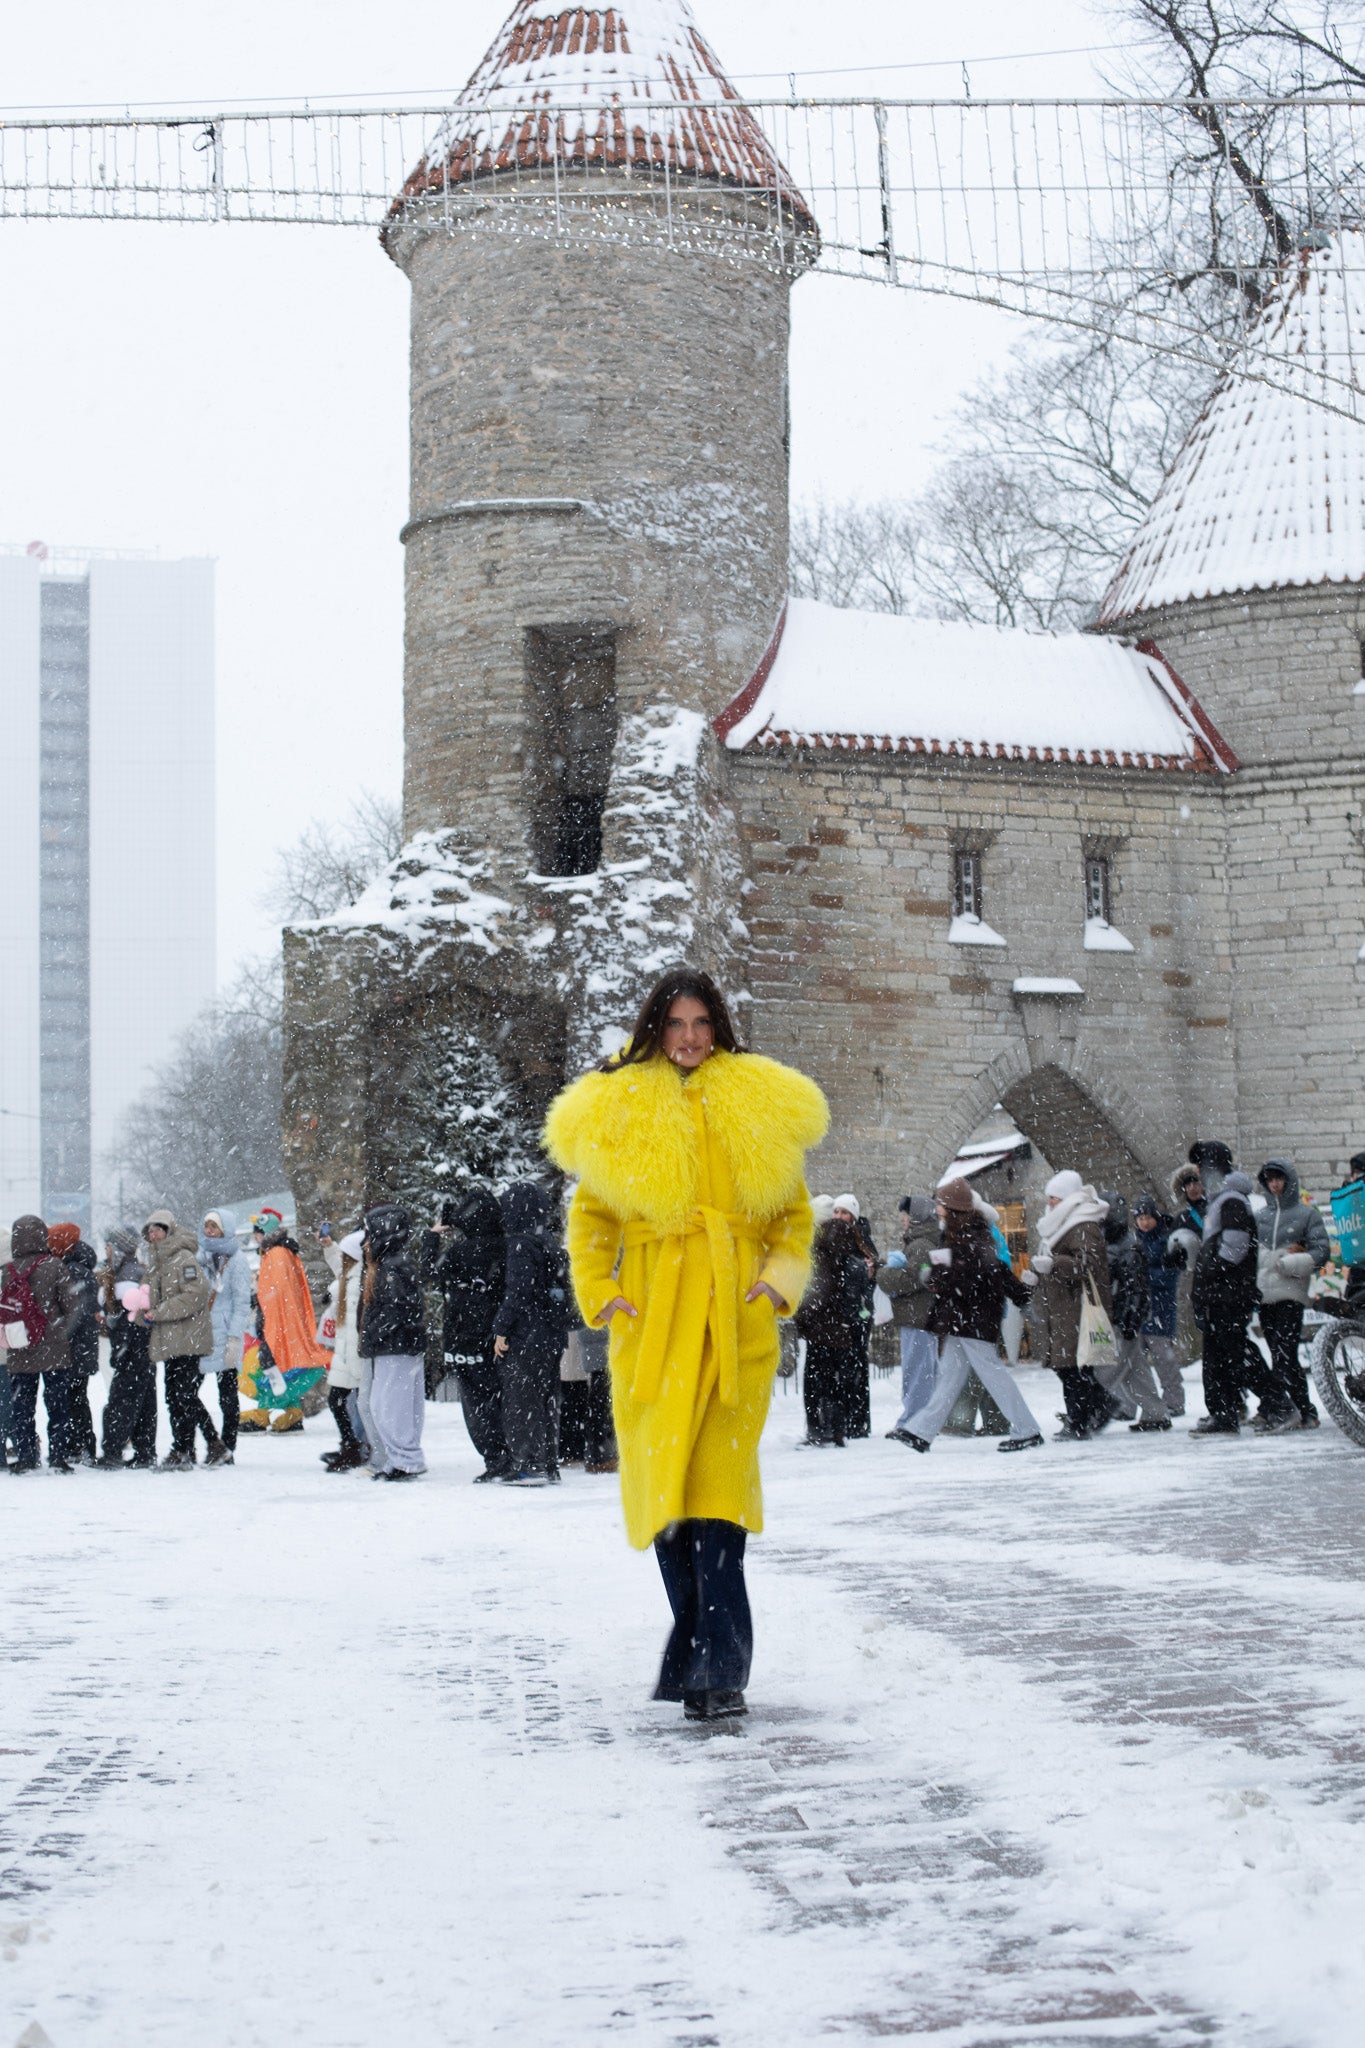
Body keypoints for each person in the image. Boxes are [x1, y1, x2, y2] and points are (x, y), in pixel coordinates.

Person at [546, 965, 825, 1723]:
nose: (690, 1039)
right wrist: (604, 1295)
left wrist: (775, 1283)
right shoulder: (622, 1104)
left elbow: (792, 1220)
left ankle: (717, 1669)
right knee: (670, 1504)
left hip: (734, 1326)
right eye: (675, 1025)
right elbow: (590, 1221)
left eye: (702, 1024)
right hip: (655, 1326)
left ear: (719, 1028)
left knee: (718, 1501)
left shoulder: (755, 1101)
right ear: (653, 1029)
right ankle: (697, 1651)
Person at [888, 1177, 1041, 1452]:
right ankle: (921, 1432)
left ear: (952, 1207)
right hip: (962, 1316)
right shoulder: (956, 1232)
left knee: (992, 1373)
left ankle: (1027, 1429)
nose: (936, 1207)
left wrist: (934, 1275)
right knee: (949, 1375)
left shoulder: (973, 1234)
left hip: (976, 1316)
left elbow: (974, 1273)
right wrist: (935, 1273)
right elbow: (958, 1269)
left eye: (940, 1203)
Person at [1191, 1171, 1292, 1437]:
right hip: (1221, 1295)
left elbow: (1234, 1249)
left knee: (1236, 1354)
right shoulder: (1222, 1202)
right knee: (1219, 1357)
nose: (1198, 1178)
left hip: (1229, 1295)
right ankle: (1224, 1414)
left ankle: (1278, 1403)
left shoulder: (1232, 1202)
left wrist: (1210, 1271)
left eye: (1201, 1170)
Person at [422, 1187, 509, 1483]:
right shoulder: (508, 1247)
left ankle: (496, 1458)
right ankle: (513, 1455)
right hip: (497, 1335)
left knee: (478, 1402)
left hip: (466, 1336)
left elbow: (430, 1271)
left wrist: (433, 1236)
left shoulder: (461, 1252)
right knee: (503, 1396)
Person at [1023, 1171, 1114, 1440]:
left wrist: (1054, 1265)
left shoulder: (1083, 1224)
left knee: (1071, 1367)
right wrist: (1037, 1275)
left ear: (1066, 1199)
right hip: (1063, 1307)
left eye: (1054, 1198)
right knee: (1069, 1367)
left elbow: (1088, 1264)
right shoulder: (1061, 1224)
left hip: (1078, 1307)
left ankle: (1080, 1419)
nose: (1050, 1203)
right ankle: (1092, 1410)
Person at [491, 1183, 570, 1486]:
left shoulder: (520, 1244)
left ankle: (527, 1464)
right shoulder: (547, 1240)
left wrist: (501, 1328)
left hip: (528, 1333)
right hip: (551, 1332)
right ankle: (548, 1463)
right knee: (546, 1398)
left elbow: (518, 1291)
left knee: (522, 1398)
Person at [143, 1209, 225, 1469]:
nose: (153, 1235)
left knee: (183, 1395)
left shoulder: (183, 1259)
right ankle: (194, 1447)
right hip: (170, 1340)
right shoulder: (157, 1263)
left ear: (168, 1231)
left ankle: (189, 1447)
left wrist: (159, 1312)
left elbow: (196, 1294)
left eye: (157, 1229)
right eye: (149, 1231)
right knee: (176, 1396)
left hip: (188, 1339)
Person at [1254, 1158, 1331, 1430]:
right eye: (1269, 1180)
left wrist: (1291, 1262)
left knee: (1284, 1351)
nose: (1275, 1185)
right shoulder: (1260, 1217)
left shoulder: (1306, 1214)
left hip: (1291, 1292)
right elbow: (1250, 1253)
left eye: (1279, 1179)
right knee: (1280, 1352)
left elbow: (1321, 1251)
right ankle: (1304, 1409)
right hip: (1265, 1295)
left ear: (1289, 1180)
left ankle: (1275, 1407)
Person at [2, 1214, 81, 1472]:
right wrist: (61, 1332)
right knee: (57, 1406)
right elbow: (72, 1306)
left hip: (20, 1346)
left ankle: (26, 1457)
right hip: (53, 1349)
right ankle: (58, 1456)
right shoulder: (54, 1266)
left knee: (22, 1407)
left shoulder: (6, 1271)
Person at [357, 1203, 427, 1481]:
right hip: (397, 1345)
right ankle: (403, 1457)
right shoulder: (392, 1265)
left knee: (389, 1405)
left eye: (368, 1232)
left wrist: (373, 1333)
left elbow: (397, 1310)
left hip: (395, 1346)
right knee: (390, 1404)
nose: (365, 1241)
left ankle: (405, 1459)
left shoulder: (392, 1268)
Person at [795, 1200, 867, 1447]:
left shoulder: (818, 1246)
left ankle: (817, 1428)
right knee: (837, 1379)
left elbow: (812, 1288)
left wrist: (803, 1320)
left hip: (820, 1324)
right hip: (840, 1325)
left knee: (815, 1378)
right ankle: (836, 1428)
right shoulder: (847, 1241)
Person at [1096, 1192, 1169, 1431]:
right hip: (1120, 1314)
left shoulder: (1126, 1246)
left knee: (1108, 1367)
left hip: (1122, 1315)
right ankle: (1155, 1413)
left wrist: (1132, 1314)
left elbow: (1136, 1286)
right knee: (1134, 1368)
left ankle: (1090, 1409)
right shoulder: (1118, 1243)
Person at [251, 1216, 331, 1434]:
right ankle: (292, 1414)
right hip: (281, 1320)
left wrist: (265, 1314)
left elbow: (276, 1293)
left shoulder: (276, 1254)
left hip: (277, 1322)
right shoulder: (280, 1253)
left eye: (258, 1231)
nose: (255, 1236)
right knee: (282, 1365)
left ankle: (262, 1414)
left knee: (274, 1366)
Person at [95, 1228, 158, 1468]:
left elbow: (127, 1319)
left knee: (122, 1398)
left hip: (132, 1347)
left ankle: (113, 1451)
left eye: (109, 1246)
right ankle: (145, 1451)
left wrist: (119, 1337)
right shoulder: (135, 1270)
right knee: (144, 1399)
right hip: (141, 1348)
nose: (106, 1251)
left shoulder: (126, 1276)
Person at [880, 1195, 939, 1441]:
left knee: (918, 1372)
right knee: (923, 1370)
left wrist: (884, 1275)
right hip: (918, 1315)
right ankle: (917, 1420)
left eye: (904, 1215)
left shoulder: (922, 1245)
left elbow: (913, 1277)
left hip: (918, 1315)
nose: (901, 1220)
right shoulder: (922, 1243)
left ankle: (913, 1422)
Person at [200, 1211, 252, 1462]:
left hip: (225, 1332)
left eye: (215, 1226)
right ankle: (213, 1440)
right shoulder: (201, 1256)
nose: (210, 1230)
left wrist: (234, 1336)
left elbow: (242, 1302)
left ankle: (228, 1447)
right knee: (186, 1392)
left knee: (227, 1395)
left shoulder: (237, 1260)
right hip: (200, 1333)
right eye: (207, 1225)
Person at [48, 1224, 100, 1465]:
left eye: (53, 1241)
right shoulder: (79, 1266)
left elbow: (75, 1312)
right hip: (82, 1345)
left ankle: (80, 1445)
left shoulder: (74, 1270)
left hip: (75, 1346)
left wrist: (61, 1334)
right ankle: (81, 1445)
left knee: (74, 1397)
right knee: (76, 1396)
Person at [1132, 1196, 1186, 1416]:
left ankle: (1174, 1402)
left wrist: (1143, 1278)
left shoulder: (1166, 1241)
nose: (1144, 1223)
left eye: (1147, 1218)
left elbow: (1170, 1276)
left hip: (1160, 1309)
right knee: (1135, 1361)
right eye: (1140, 1218)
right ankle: (1141, 1403)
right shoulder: (1135, 1242)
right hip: (1139, 1310)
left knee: (1164, 1359)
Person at [320, 1228, 368, 1471]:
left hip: (354, 1351)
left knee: (353, 1402)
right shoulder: (349, 1276)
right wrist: (329, 1246)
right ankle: (351, 1444)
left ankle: (357, 1446)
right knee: (339, 1400)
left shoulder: (359, 1279)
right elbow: (338, 1265)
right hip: (346, 1350)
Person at [831, 1194, 877, 1437]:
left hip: (858, 1312)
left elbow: (871, 1275)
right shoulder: (832, 1238)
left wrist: (868, 1275)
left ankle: (858, 1421)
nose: (839, 1217)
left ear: (853, 1216)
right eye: (836, 1211)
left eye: (844, 1212)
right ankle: (845, 1419)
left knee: (857, 1365)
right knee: (843, 1367)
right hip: (841, 1310)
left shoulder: (862, 1240)